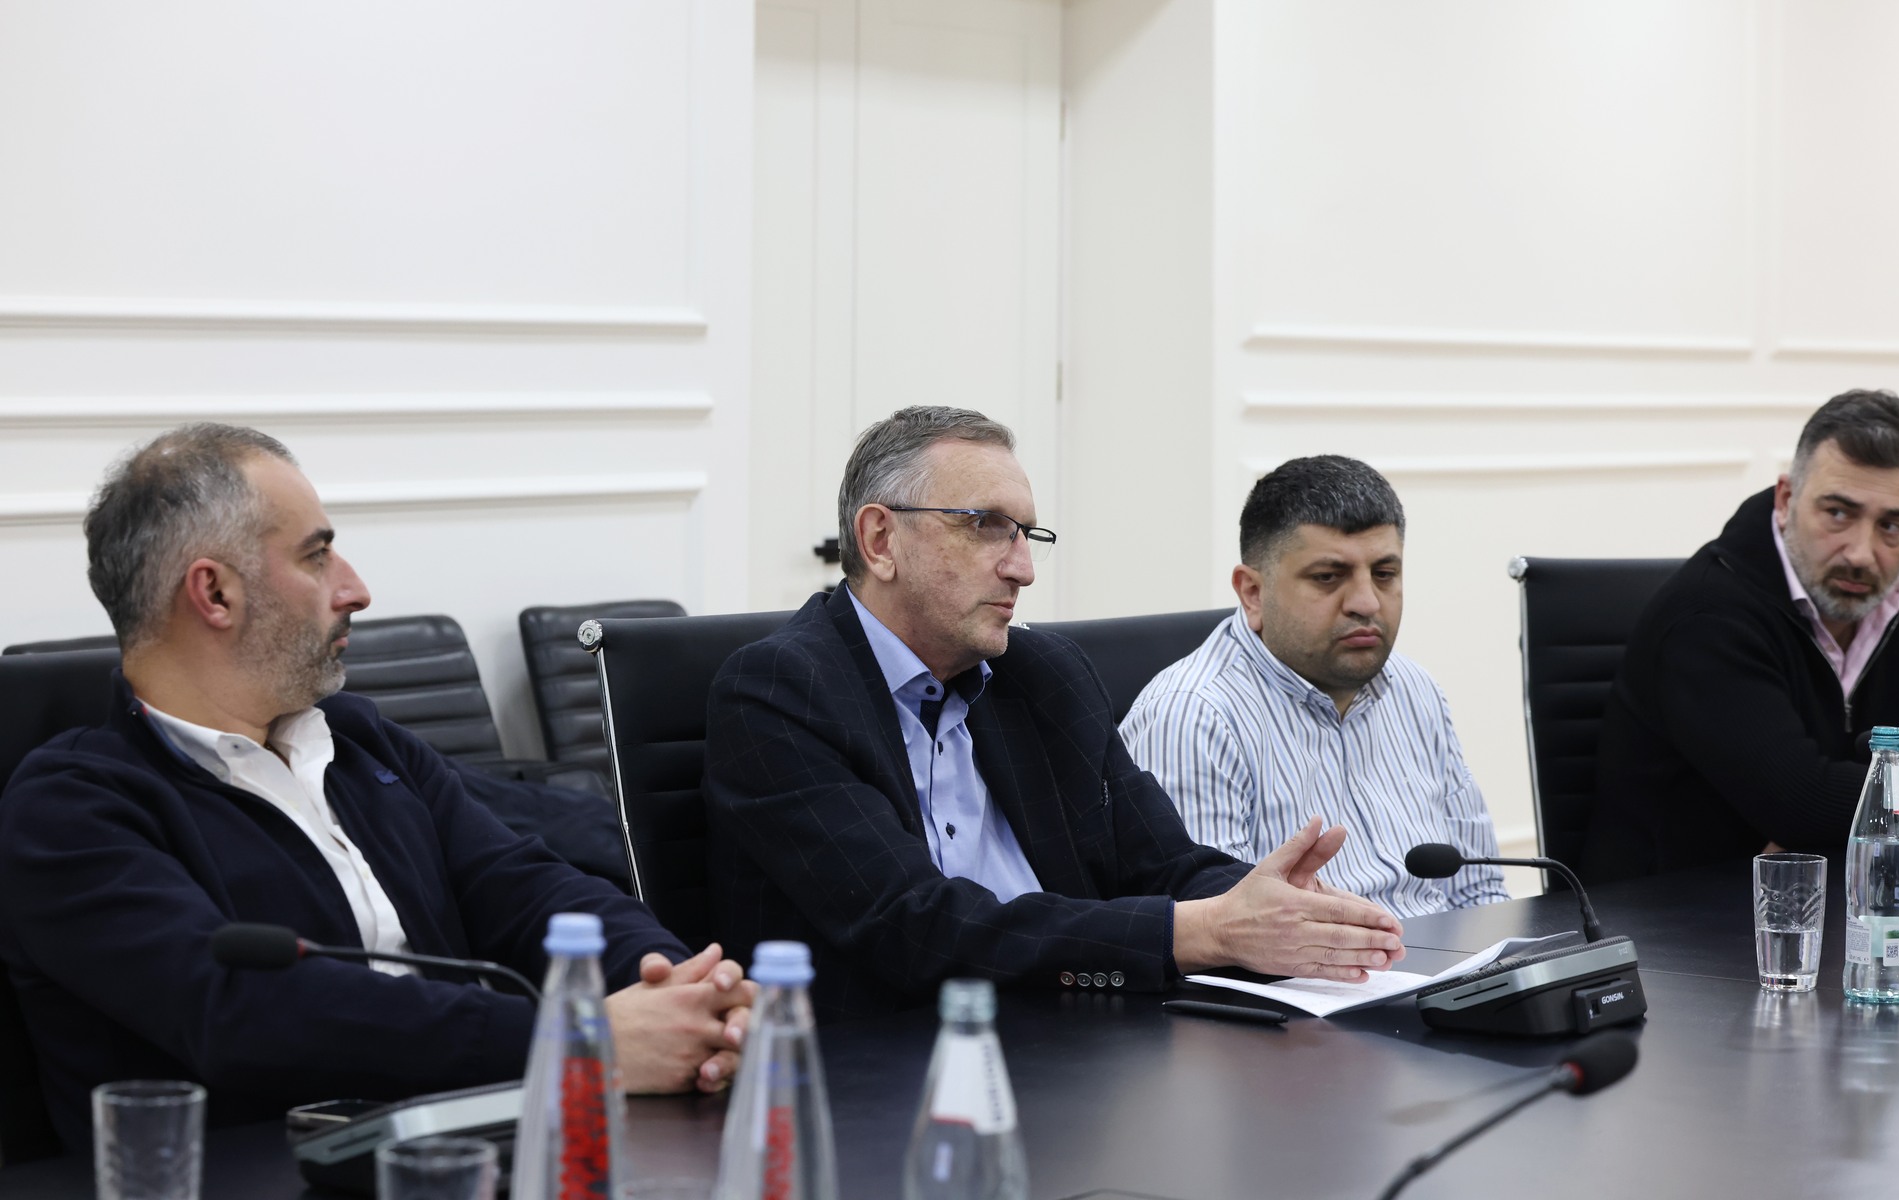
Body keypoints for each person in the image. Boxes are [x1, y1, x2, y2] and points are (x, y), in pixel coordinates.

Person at [0, 424, 754, 1151]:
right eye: (316, 556)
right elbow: (246, 1012)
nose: (355, 589)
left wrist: (681, 992)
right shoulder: (70, 810)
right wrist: (580, 1043)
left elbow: (525, 886)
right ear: (216, 593)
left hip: (471, 1142)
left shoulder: (357, 739)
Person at [704, 407, 1407, 1021]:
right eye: (986, 527)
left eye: (1026, 535)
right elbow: (913, 927)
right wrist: (1205, 931)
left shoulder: (1045, 675)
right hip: (878, 1070)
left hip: (1077, 1034)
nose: (1023, 568)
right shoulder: (778, 691)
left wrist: (1271, 906)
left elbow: (1165, 865)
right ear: (881, 540)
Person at [1582, 390, 1899, 882]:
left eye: (1892, 526)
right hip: (1670, 910)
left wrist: (1830, 818)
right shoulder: (1707, 614)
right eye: (1838, 513)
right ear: (1786, 499)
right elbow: (1804, 803)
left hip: (1837, 894)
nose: (1861, 553)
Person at [1121, 456, 1510, 917]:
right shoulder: (1192, 718)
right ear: (1252, 593)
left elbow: (1480, 893)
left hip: (1448, 959)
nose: (1366, 603)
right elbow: (1223, 932)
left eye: (1384, 574)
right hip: (1311, 964)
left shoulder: (1415, 687)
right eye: (1328, 577)